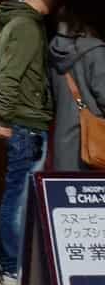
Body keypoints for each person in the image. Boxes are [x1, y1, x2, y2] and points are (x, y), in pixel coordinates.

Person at [0, 0, 60, 285]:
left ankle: (14, 262)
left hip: (22, 119)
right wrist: (7, 117)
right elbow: (7, 77)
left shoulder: (12, 24)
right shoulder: (26, 26)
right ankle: (14, 263)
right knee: (20, 191)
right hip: (26, 121)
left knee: (18, 189)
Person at [52, 10, 105, 173]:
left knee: (66, 193)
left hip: (63, 140)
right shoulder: (96, 50)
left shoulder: (53, 54)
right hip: (94, 139)